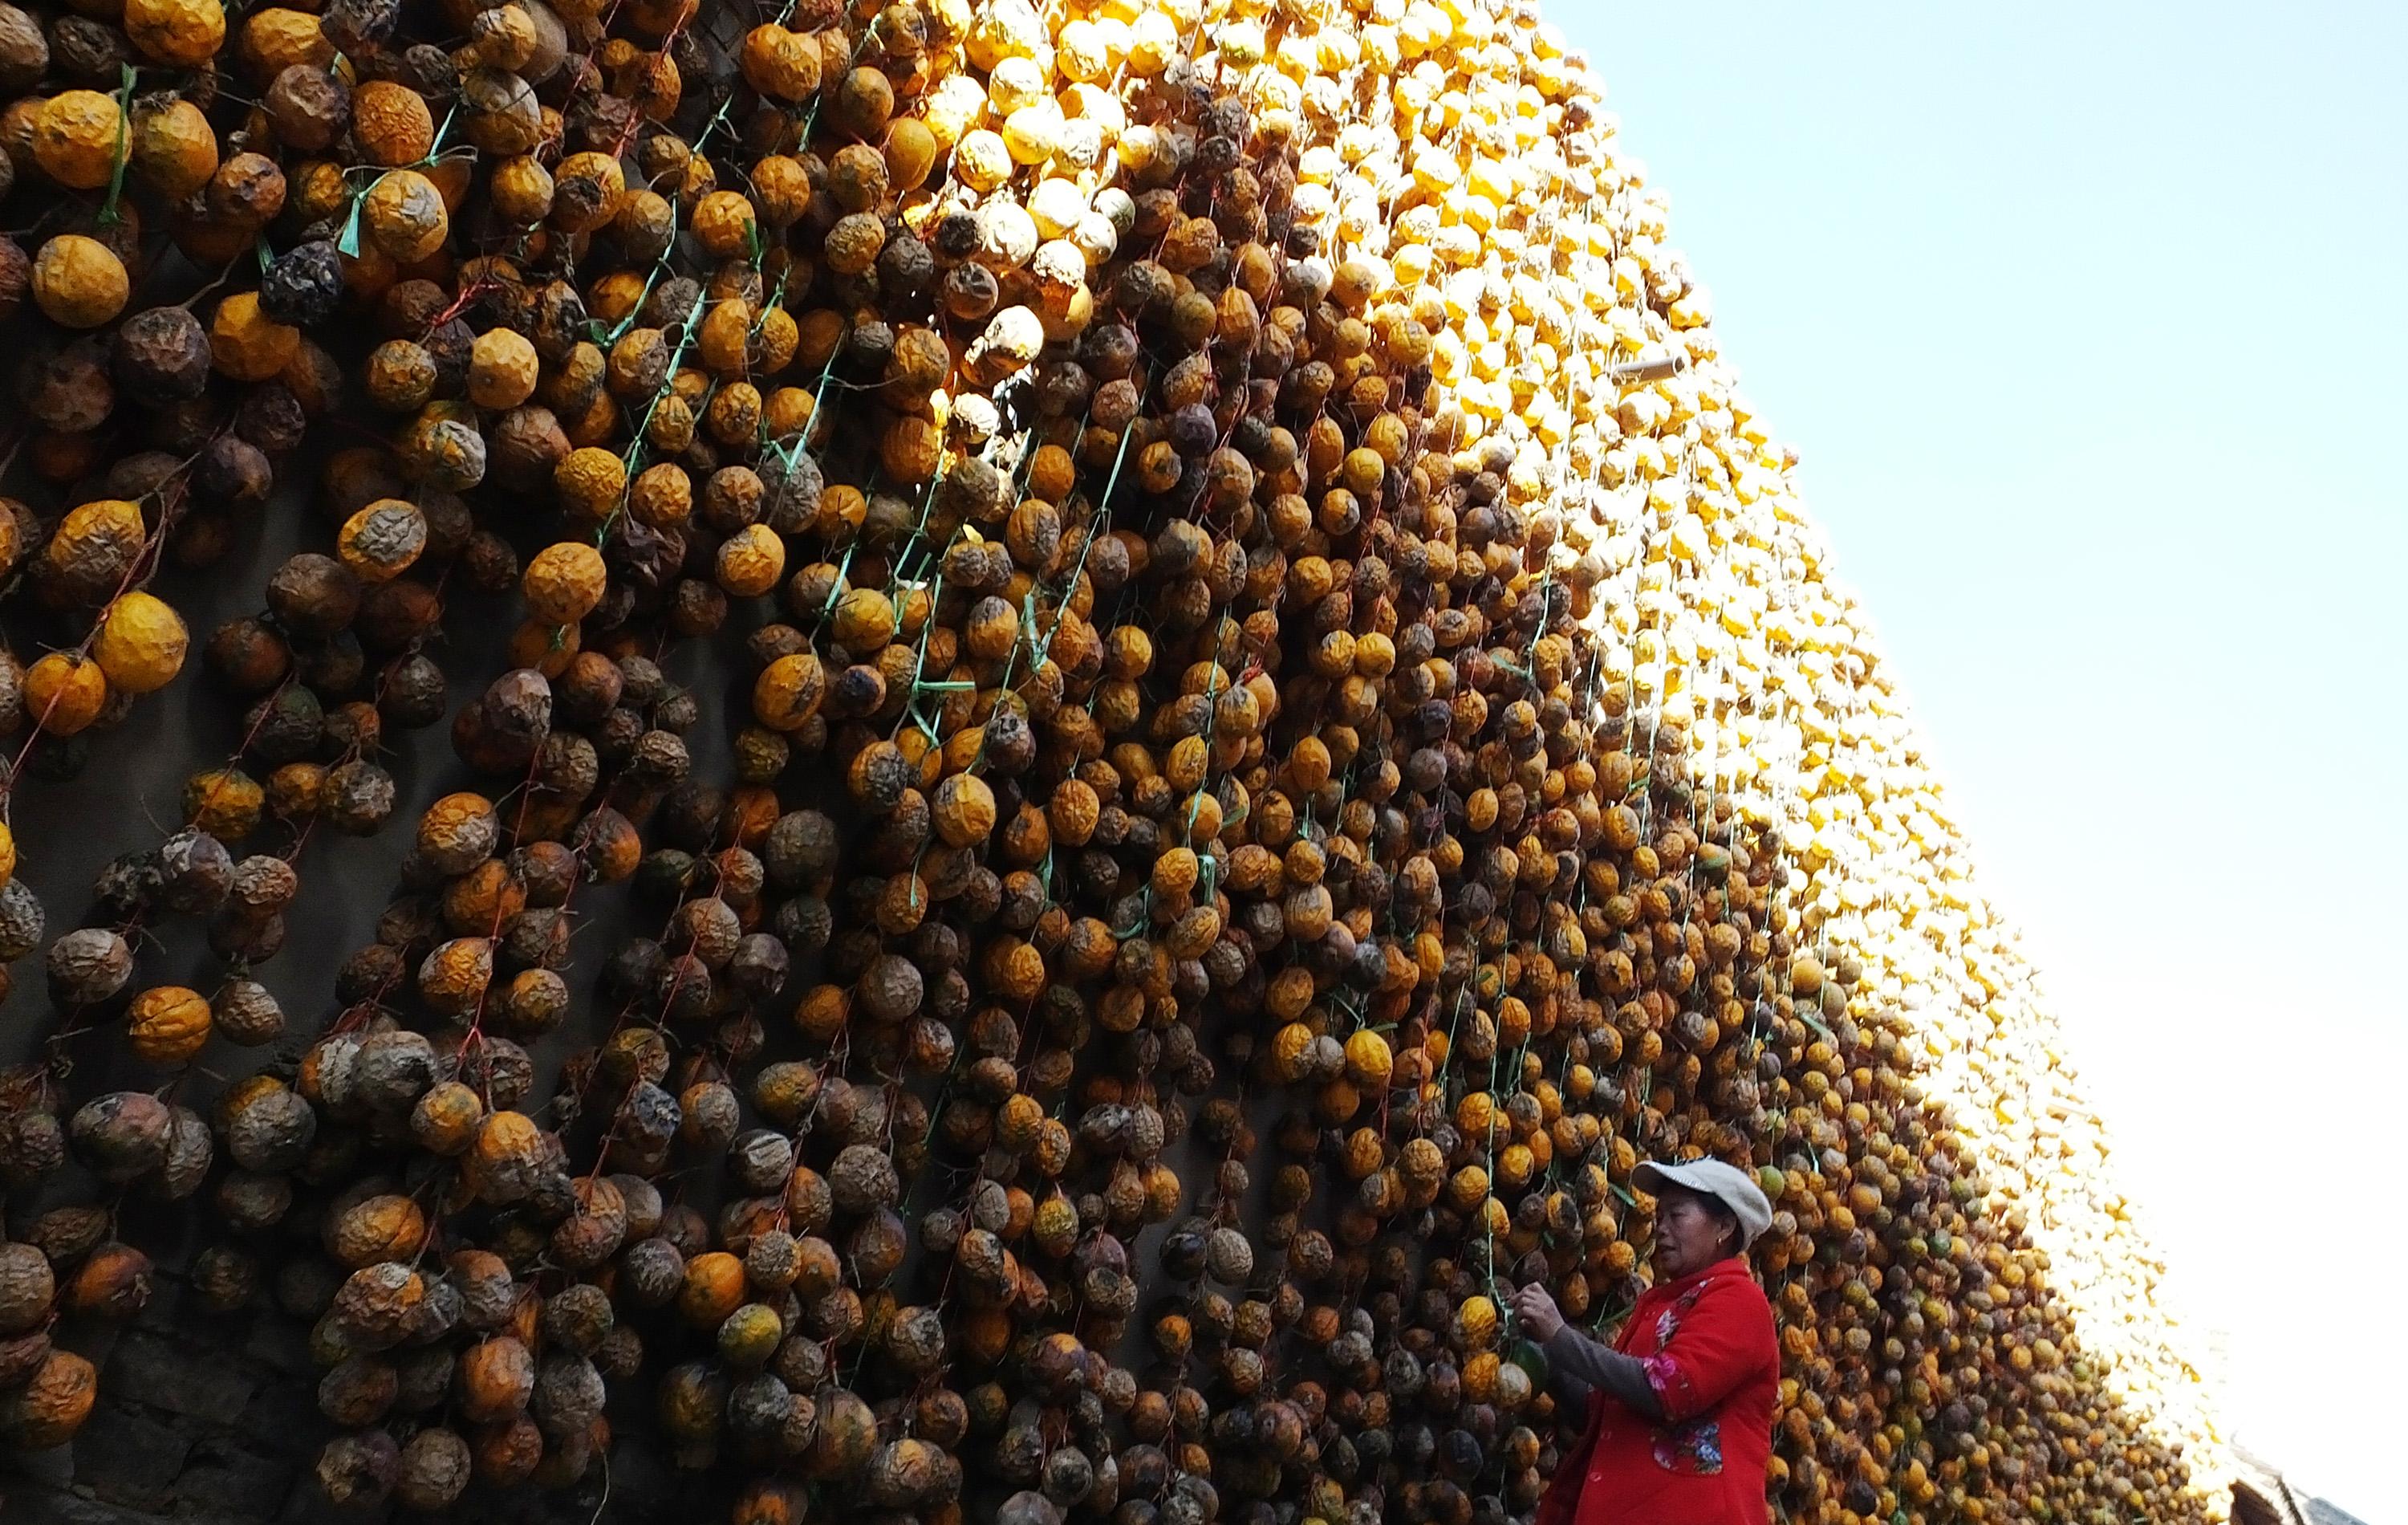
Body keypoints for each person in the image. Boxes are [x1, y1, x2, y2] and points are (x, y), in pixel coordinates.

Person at [1509, 1157, 1781, 1525]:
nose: (1661, 1229)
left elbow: (1666, 1389)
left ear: (1724, 1225)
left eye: (1677, 1215)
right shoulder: (1664, 1304)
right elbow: (1607, 1408)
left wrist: (1559, 1336)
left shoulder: (1740, 1301)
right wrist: (1544, 1352)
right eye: (1660, 1217)